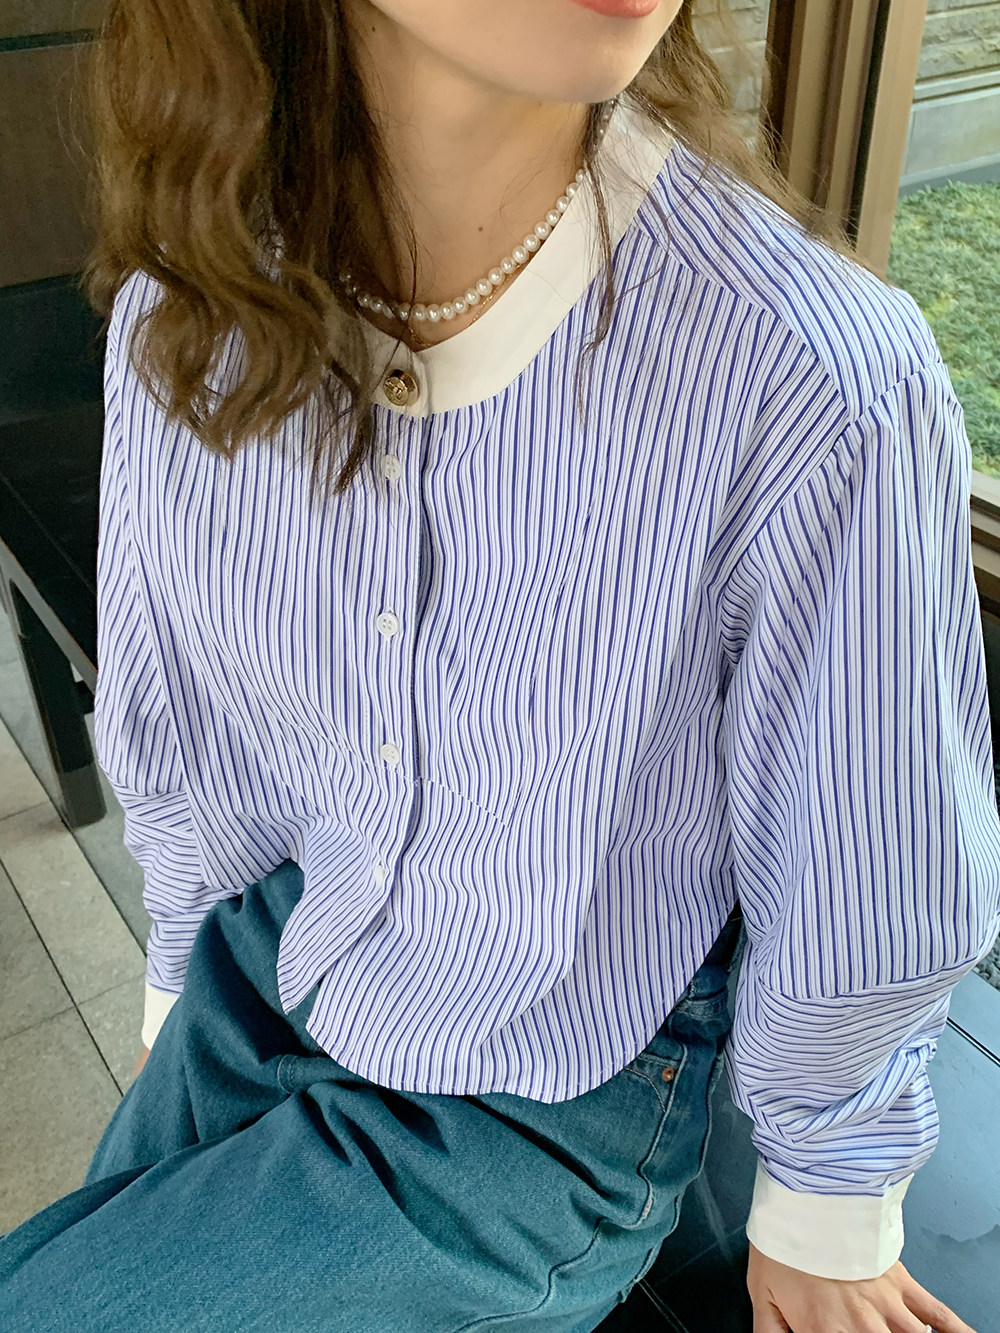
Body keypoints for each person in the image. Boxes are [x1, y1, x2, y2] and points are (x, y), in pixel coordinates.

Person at [1, 0, 997, 1329]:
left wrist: (829, 1210)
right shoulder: (192, 315)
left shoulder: (810, 376)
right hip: (275, 957)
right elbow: (189, 726)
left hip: (548, 1096)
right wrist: (180, 983)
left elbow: (869, 851)